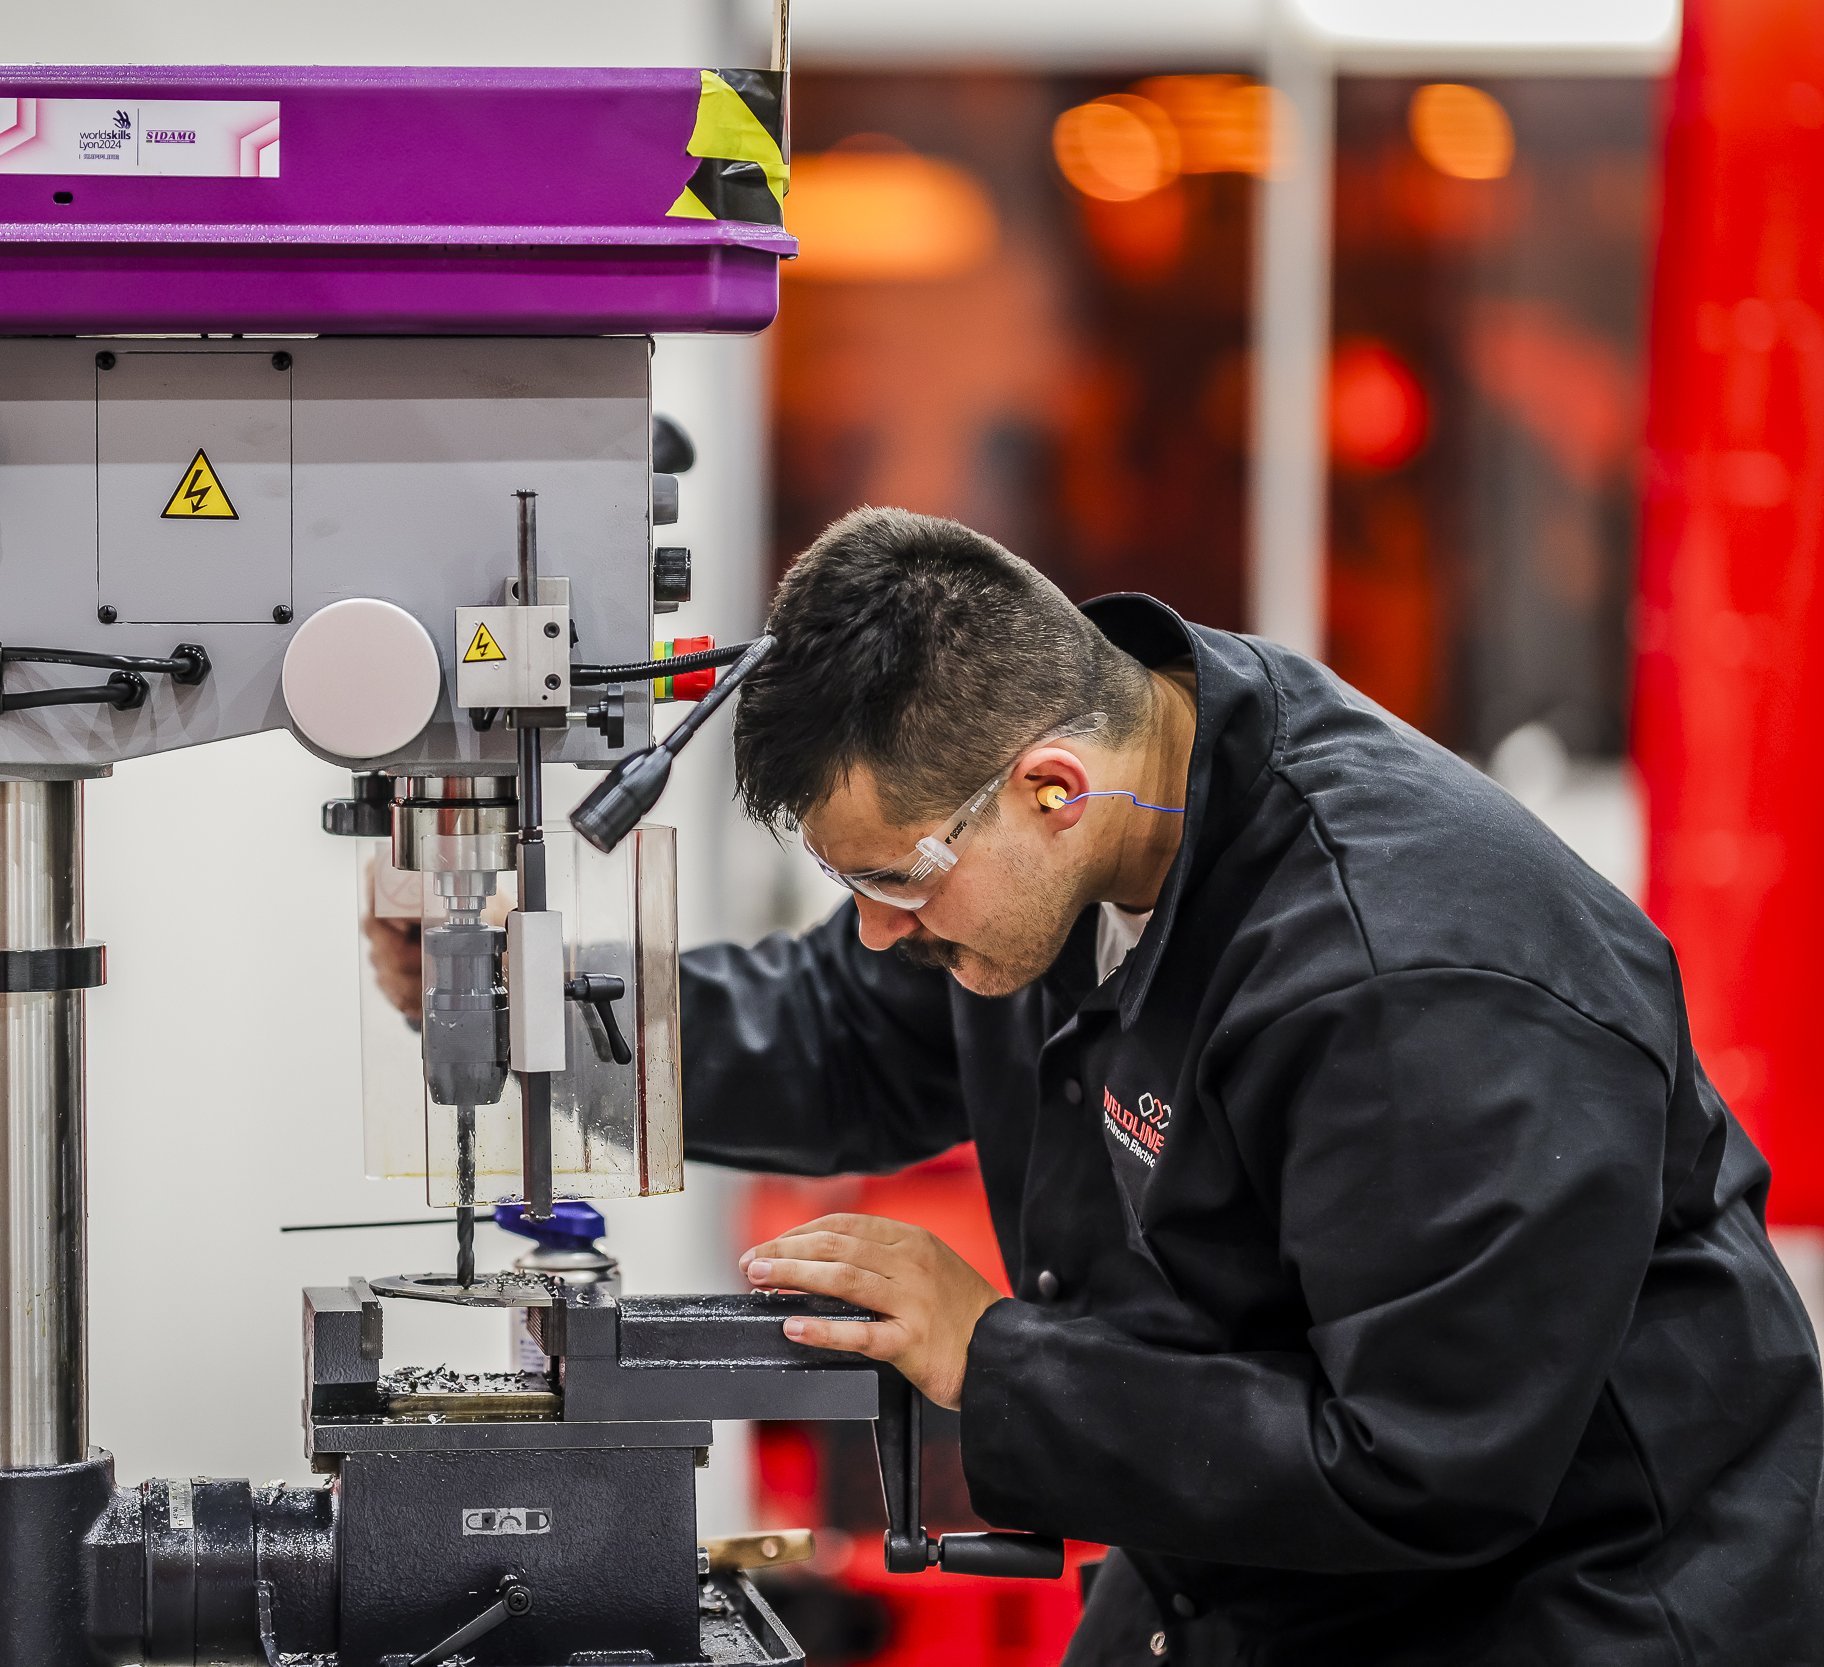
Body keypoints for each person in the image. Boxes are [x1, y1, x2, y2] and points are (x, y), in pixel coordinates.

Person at [369, 507, 1823, 1664]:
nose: (876, 926)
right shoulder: (1093, 824)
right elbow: (850, 1028)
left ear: (1054, 789)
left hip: (1574, 1609)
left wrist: (992, 1357)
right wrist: (530, 1006)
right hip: (1257, 1577)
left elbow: (1416, 1467)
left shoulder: (1412, 983)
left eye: (893, 880)